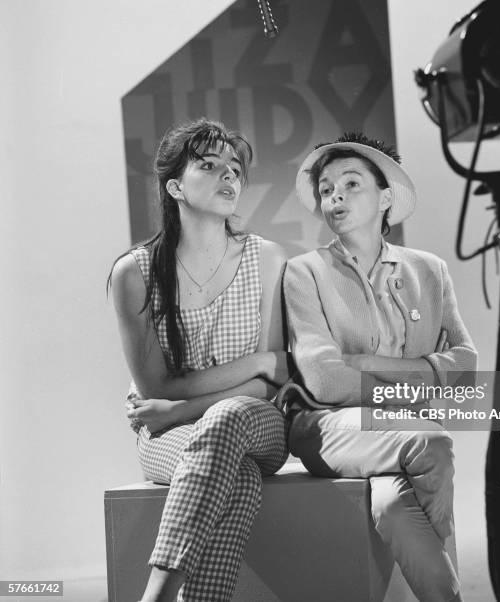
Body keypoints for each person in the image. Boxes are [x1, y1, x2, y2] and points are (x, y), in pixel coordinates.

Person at [281, 132, 477, 602]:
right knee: (431, 439)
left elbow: (467, 365)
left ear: (386, 196)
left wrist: (365, 363)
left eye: (351, 184)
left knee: (392, 506)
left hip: (395, 429)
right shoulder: (303, 271)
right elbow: (325, 381)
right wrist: (424, 379)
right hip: (326, 427)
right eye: (326, 189)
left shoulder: (429, 270)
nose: (335, 197)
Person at [108, 118, 289, 602]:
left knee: (229, 418)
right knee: (241, 481)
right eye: (209, 167)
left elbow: (275, 384)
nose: (228, 177)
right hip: (164, 434)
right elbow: (155, 391)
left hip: (257, 424)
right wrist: (256, 363)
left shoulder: (268, 258)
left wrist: (186, 408)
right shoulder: (135, 272)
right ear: (175, 187)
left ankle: (155, 597)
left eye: (234, 168)